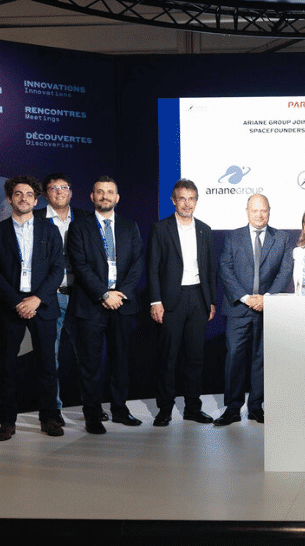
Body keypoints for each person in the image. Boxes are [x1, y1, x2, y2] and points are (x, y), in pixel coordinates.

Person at [0, 175, 64, 441]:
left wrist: (37, 299)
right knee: (6, 366)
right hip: (10, 307)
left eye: (29, 194)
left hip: (42, 305)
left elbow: (57, 269)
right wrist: (18, 302)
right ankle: (7, 422)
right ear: (9, 198)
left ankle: (49, 418)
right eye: (18, 194)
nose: (24, 198)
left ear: (36, 200)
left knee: (47, 365)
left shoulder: (50, 231)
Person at [66, 175, 144, 434]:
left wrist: (120, 293)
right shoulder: (79, 227)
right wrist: (103, 294)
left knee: (120, 361)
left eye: (110, 192)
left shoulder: (129, 227)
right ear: (92, 196)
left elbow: (137, 264)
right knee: (90, 364)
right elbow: (79, 265)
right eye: (100, 192)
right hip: (91, 304)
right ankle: (92, 414)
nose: (105, 196)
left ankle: (120, 409)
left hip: (122, 304)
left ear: (117, 197)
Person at [216, 194, 293, 426]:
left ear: (269, 211)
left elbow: (285, 271)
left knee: (262, 358)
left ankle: (256, 406)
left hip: (267, 309)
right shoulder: (233, 237)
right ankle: (232, 407)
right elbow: (225, 268)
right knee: (234, 358)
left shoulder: (281, 238)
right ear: (247, 211)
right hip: (238, 308)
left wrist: (266, 299)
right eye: (254, 210)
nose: (259, 215)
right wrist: (246, 298)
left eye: (263, 210)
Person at [148, 179, 217, 426]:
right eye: (182, 199)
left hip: (198, 299)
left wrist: (210, 301)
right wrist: (155, 301)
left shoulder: (205, 230)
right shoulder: (160, 229)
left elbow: (210, 269)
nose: (187, 204)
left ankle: (192, 408)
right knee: (168, 357)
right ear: (173, 201)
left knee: (195, 358)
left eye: (191, 199)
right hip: (170, 301)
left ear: (196, 201)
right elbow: (152, 267)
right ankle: (165, 409)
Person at [33, 173, 91, 424]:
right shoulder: (35, 218)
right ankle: (52, 410)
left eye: (64, 187)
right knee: (49, 360)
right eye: (53, 188)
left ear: (71, 192)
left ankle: (91, 407)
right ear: (45, 194)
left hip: (81, 297)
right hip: (49, 297)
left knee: (88, 357)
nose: (59, 191)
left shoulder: (86, 218)